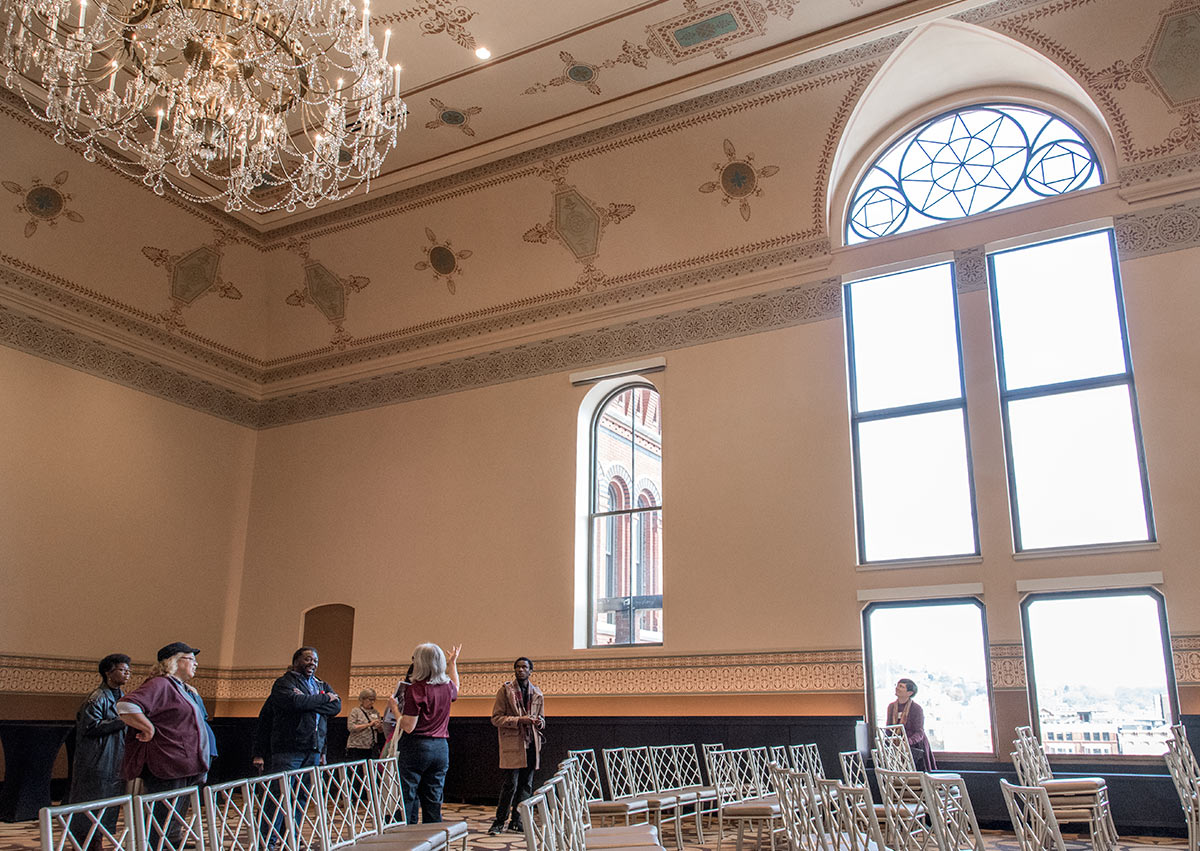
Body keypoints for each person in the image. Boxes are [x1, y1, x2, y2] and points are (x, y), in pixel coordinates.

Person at [115, 642, 210, 846]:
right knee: (159, 821)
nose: (196, 663)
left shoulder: (180, 687)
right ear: (174, 661)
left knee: (171, 821)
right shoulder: (160, 684)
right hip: (167, 764)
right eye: (191, 658)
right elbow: (126, 705)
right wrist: (148, 728)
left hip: (181, 766)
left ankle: (169, 844)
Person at [253, 647, 341, 848]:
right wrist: (325, 698)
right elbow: (294, 702)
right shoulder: (284, 683)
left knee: (301, 797)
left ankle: (289, 838)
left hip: (313, 749)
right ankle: (266, 841)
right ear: (296, 661)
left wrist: (310, 702)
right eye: (308, 659)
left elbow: (336, 707)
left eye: (316, 660)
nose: (313, 663)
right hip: (288, 749)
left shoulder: (321, 684)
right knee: (278, 796)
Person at [69, 653, 131, 850]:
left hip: (115, 759)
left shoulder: (122, 697)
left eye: (129, 670)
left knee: (108, 805)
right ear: (108, 672)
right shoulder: (96, 698)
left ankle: (98, 840)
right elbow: (90, 727)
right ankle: (87, 843)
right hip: (96, 760)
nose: (127, 674)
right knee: (92, 804)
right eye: (122, 670)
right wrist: (122, 721)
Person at [395, 643, 460, 824]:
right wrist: (453, 663)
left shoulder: (415, 689)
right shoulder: (447, 687)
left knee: (408, 796)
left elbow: (408, 726)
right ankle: (434, 843)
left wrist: (394, 710)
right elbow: (456, 686)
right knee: (433, 800)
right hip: (441, 748)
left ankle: (408, 841)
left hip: (417, 747)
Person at [487, 657, 545, 835]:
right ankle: (499, 822)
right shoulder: (505, 692)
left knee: (526, 785)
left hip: (531, 744)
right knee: (510, 784)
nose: (520, 670)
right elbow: (496, 718)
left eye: (524, 667)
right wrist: (520, 720)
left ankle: (517, 820)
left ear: (530, 671)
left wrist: (539, 722)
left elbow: (542, 718)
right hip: (513, 743)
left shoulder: (537, 693)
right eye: (518, 667)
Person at [887, 678, 936, 770]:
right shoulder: (891, 707)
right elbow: (889, 728)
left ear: (910, 693)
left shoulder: (917, 708)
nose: (897, 688)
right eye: (897, 685)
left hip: (914, 747)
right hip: (896, 746)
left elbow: (919, 732)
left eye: (901, 686)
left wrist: (907, 742)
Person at [345, 689, 383, 762]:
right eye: (370, 699)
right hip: (357, 747)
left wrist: (379, 726)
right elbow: (351, 727)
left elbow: (380, 731)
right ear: (362, 699)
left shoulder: (375, 712)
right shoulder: (355, 711)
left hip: (371, 747)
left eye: (374, 700)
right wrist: (369, 724)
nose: (372, 702)